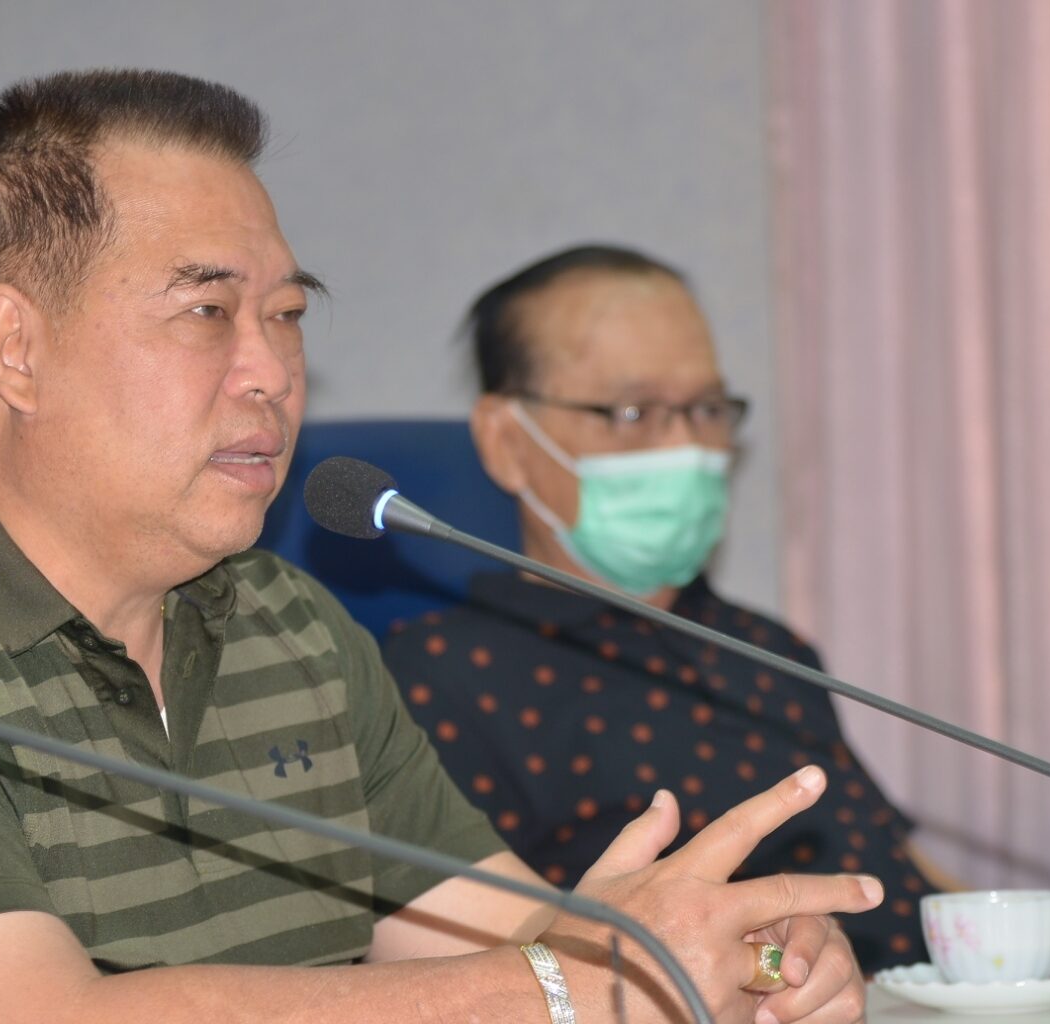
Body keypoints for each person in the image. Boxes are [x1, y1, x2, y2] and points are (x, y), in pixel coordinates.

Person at [0, 72, 878, 1024]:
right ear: (15, 348)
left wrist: (717, 961)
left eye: (285, 316)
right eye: (206, 311)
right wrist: (569, 983)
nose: (271, 372)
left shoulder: (285, 624)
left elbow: (505, 947)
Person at [380, 245, 941, 973]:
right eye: (634, 412)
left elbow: (901, 874)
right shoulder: (433, 680)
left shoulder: (770, 650)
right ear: (507, 442)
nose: (685, 446)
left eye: (706, 409)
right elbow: (489, 973)